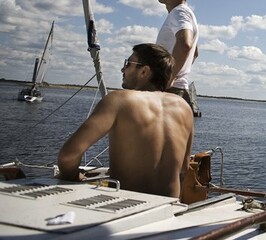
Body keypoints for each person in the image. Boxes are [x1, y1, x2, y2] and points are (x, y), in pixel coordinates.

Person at [57, 43, 194, 198]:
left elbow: (68, 156)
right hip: (168, 209)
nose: (123, 70)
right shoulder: (184, 107)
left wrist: (73, 176)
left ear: (144, 71)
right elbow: (184, 167)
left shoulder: (120, 100)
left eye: (128, 64)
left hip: (126, 208)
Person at [151, 0, 200, 115]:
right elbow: (195, 53)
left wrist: (169, 77)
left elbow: (185, 44)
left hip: (169, 90)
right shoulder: (186, 13)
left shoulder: (179, 12)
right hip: (178, 90)